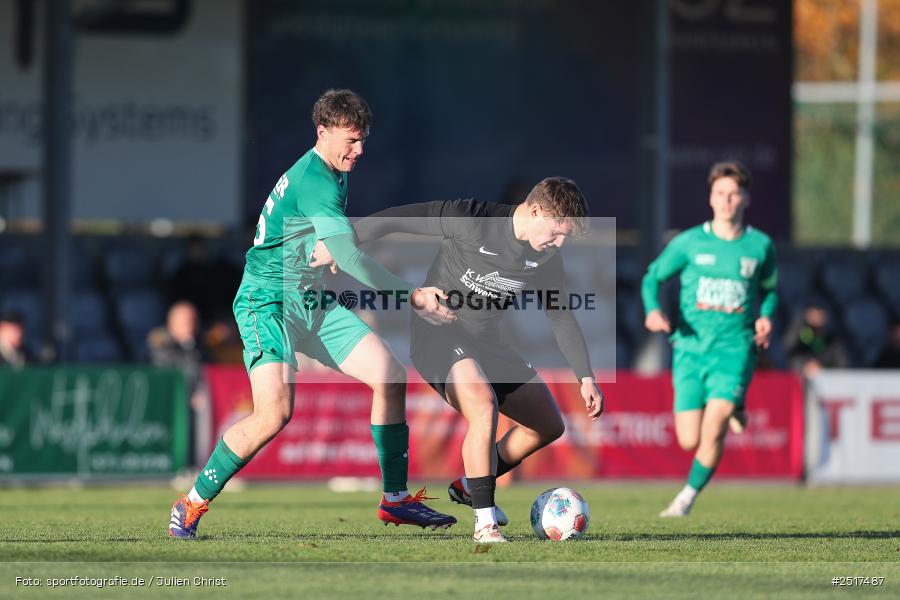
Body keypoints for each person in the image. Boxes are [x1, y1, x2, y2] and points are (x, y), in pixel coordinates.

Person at [168, 89, 457, 539]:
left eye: (363, 141)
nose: (359, 150)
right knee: (274, 414)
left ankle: (395, 500)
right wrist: (413, 295)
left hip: (309, 299)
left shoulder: (332, 171)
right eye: (351, 140)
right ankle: (190, 503)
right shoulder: (317, 180)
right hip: (267, 302)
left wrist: (321, 247)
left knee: (389, 375)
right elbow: (353, 258)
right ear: (322, 132)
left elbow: (312, 233)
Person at [312, 177, 605, 543]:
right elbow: (396, 218)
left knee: (548, 425)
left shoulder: (546, 257)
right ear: (534, 211)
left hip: (487, 344)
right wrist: (340, 244)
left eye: (565, 238)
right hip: (439, 334)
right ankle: (485, 523)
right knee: (483, 406)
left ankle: (470, 486)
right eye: (557, 233)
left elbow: (559, 314)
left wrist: (586, 377)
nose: (559, 243)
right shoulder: (472, 219)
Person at [641, 160, 777, 518]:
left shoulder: (760, 246)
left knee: (714, 427)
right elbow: (652, 277)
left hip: (735, 350)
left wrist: (766, 316)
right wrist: (653, 310)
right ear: (711, 197)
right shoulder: (689, 243)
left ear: (745, 198)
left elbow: (770, 290)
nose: (727, 200)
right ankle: (736, 407)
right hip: (690, 350)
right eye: (720, 193)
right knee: (689, 439)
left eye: (734, 194)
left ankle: (685, 500)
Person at [148, 301, 207, 467]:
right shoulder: (160, 344)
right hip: (168, 406)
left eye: (193, 321)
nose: (191, 326)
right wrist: (189, 394)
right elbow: (171, 375)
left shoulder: (198, 345)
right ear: (171, 324)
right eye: (185, 322)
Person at [783, 299, 849, 376]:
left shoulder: (832, 340)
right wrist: (802, 322)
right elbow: (788, 346)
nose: (817, 317)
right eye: (814, 313)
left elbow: (842, 364)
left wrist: (822, 369)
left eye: (820, 313)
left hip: (826, 378)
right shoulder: (801, 334)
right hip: (802, 377)